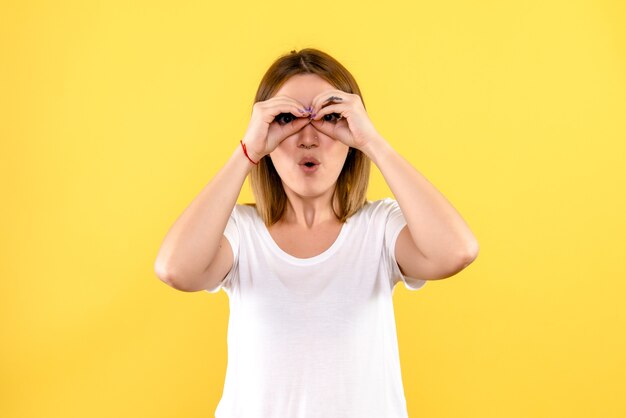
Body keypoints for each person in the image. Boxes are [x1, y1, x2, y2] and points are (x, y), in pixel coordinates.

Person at [154, 48, 479, 418]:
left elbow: (457, 251)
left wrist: (373, 143)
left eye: (330, 119)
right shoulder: (241, 233)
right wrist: (247, 152)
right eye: (287, 119)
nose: (308, 139)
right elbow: (175, 269)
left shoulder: (378, 228)